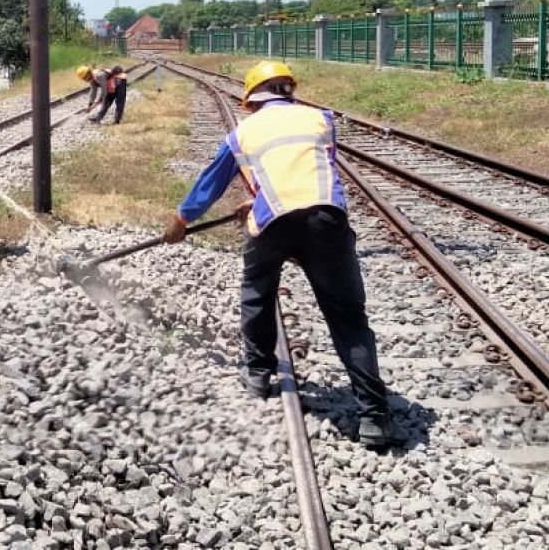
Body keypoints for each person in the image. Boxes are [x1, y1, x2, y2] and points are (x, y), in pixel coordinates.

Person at [161, 60, 403, 448]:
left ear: (252, 101)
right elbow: (304, 171)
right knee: (348, 317)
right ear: (289, 90)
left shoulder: (243, 132)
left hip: (272, 223)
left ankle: (258, 375)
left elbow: (212, 182)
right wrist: (256, 201)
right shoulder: (320, 120)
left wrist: (180, 220)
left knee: (257, 291)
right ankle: (374, 416)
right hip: (327, 217)